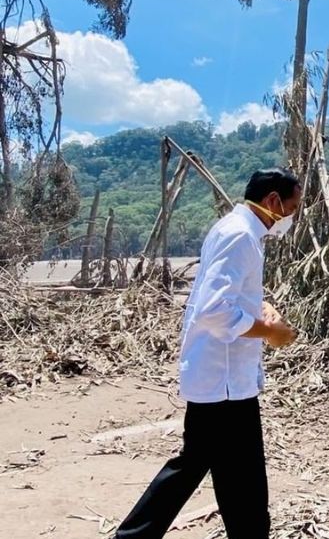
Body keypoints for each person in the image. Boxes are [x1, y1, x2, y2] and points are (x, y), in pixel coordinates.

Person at [114, 168, 301, 539]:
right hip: (224, 380)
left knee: (224, 472)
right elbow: (214, 310)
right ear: (273, 202)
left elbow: (227, 293)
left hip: (224, 379)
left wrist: (263, 309)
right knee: (232, 474)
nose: (294, 215)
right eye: (293, 206)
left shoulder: (238, 230)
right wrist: (270, 332)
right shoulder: (239, 236)